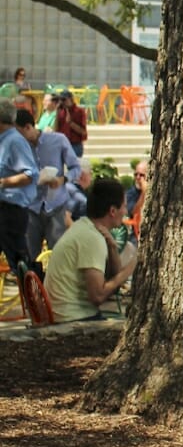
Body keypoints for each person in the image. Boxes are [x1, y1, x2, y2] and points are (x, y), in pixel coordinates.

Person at [43, 177, 137, 322]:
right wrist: (130, 269)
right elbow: (98, 296)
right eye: (124, 206)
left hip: (66, 314)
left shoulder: (84, 226)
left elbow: (113, 282)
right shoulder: (92, 238)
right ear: (112, 211)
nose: (125, 211)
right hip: (72, 319)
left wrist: (112, 247)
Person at [14, 109, 80, 259]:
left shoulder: (58, 140)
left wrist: (62, 180)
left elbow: (76, 168)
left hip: (56, 206)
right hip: (31, 208)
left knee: (56, 257)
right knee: (31, 257)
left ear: (28, 127)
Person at [0, 99, 39, 272]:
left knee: (21, 265)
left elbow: (30, 174)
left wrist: (3, 183)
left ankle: (36, 296)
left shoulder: (15, 142)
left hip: (11, 211)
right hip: (3, 209)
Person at [55, 89, 88, 157]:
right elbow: (56, 130)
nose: (62, 102)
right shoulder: (61, 112)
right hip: (62, 144)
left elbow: (83, 132)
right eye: (61, 100)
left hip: (75, 145)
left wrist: (71, 123)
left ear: (71, 99)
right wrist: (56, 114)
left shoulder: (79, 111)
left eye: (64, 100)